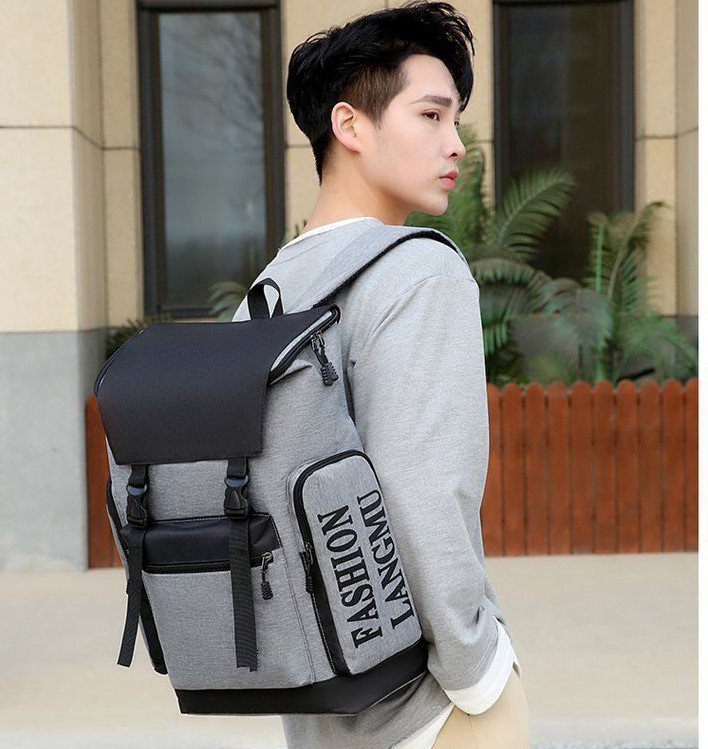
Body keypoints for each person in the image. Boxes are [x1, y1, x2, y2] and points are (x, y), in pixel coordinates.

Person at [233, 1, 530, 746]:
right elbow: (423, 492)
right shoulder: (420, 271)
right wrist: (479, 668)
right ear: (350, 126)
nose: (456, 143)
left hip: (319, 710)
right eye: (431, 115)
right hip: (429, 707)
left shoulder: (266, 293)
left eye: (455, 120)